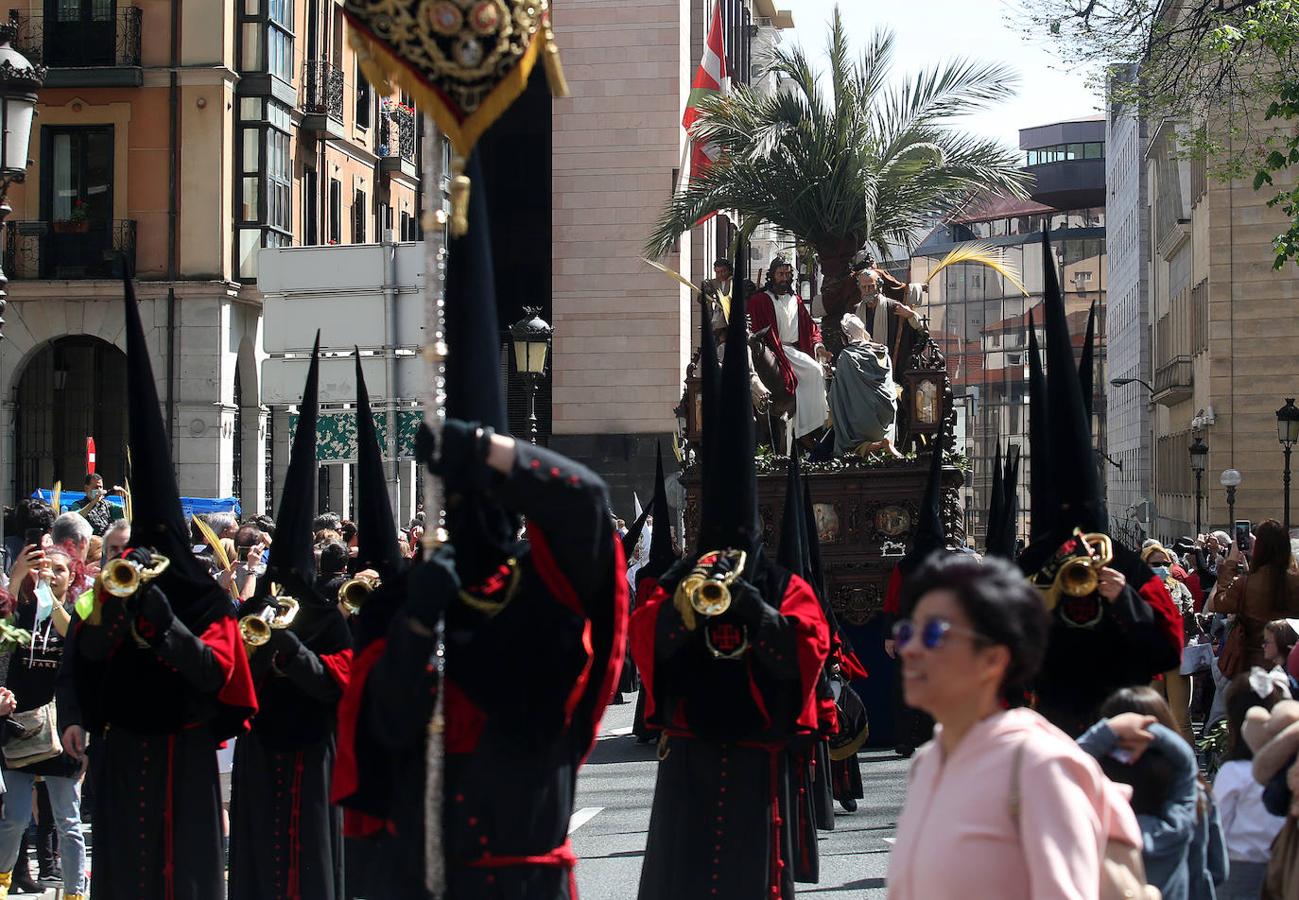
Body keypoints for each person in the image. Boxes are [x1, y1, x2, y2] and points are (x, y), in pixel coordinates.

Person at [333, 158, 628, 898]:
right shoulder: (400, 601)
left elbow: (585, 503)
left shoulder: (546, 595)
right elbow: (386, 734)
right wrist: (414, 623)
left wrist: (484, 451)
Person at [632, 257, 830, 900]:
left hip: (754, 760)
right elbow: (642, 640)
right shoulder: (685, 575)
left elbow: (809, 647)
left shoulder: (774, 581)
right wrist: (682, 612)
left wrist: (752, 609)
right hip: (687, 759)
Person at [56, 274, 257, 900]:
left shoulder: (203, 598)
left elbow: (214, 673)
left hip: (183, 760)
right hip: (121, 761)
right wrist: (119, 608)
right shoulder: (113, 589)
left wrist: (161, 619)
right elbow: (83, 661)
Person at [886, 554, 1143, 899]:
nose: (912, 649)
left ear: (993, 658)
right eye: (909, 631)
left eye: (935, 633)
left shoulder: (1041, 766)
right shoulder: (926, 763)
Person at [1019, 234, 1182, 736]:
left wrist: (1125, 599)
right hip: (1054, 724)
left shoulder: (1128, 566)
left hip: (1124, 722)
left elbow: (1168, 649)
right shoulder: (1026, 567)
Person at [228, 336, 352, 900]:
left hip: (309, 748)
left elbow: (336, 684)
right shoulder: (258, 605)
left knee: (307, 860)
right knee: (259, 860)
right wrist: (259, 637)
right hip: (261, 747)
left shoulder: (329, 615)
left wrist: (290, 650)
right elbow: (231, 675)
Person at [0, 548, 88, 899]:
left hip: (61, 726)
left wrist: (50, 594)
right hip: (21, 725)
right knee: (16, 818)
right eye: (46, 569)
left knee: (69, 822)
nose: (51, 575)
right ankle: (3, 876)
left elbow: (73, 636)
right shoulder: (24, 613)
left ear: (74, 575)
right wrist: (19, 576)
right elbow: (4, 628)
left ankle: (74, 891)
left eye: (60, 570)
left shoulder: (79, 613)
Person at [1077, 688, 1211, 900]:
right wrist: (1154, 731)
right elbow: (1186, 762)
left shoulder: (1088, 820)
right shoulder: (1179, 821)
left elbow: (1066, 768)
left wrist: (1110, 730)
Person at [1214, 672, 1288, 899]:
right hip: (1284, 864)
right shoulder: (1288, 768)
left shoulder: (1233, 772)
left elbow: (1219, 827)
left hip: (1239, 869)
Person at [747, 256, 831, 443]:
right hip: (773, 350)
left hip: (795, 351)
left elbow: (811, 329)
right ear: (772, 275)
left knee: (816, 371)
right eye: (780, 274)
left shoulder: (797, 300)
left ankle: (810, 427)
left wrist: (819, 346)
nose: (784, 278)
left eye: (787, 274)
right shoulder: (760, 300)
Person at [1208, 519, 1299, 671]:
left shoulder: (1247, 584)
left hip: (1253, 665)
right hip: (1292, 661)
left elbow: (1218, 602)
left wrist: (1231, 561)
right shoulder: (1295, 581)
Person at [1144, 542, 1199, 744]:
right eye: (1154, 564)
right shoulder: (1135, 588)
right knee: (1151, 717)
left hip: (1177, 657)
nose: (1160, 567)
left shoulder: (1179, 588)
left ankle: (1188, 767)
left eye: (1164, 563)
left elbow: (1190, 622)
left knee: (1182, 718)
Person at [829, 312, 901, 457]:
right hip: (886, 415)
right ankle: (885, 443)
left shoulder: (847, 356)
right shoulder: (882, 352)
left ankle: (880, 444)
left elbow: (840, 393)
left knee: (850, 443)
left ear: (846, 336)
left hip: (863, 419)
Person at [850, 251, 924, 367]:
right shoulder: (855, 312)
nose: (867, 290)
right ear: (859, 288)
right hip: (863, 371)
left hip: (890, 369)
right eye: (864, 287)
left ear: (879, 287)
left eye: (871, 286)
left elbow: (920, 335)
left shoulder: (894, 308)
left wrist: (911, 316)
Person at [700, 257, 735, 343]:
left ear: (729, 271)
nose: (720, 275)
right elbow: (701, 297)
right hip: (719, 313)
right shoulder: (713, 283)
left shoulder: (735, 282)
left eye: (723, 271)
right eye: (718, 272)